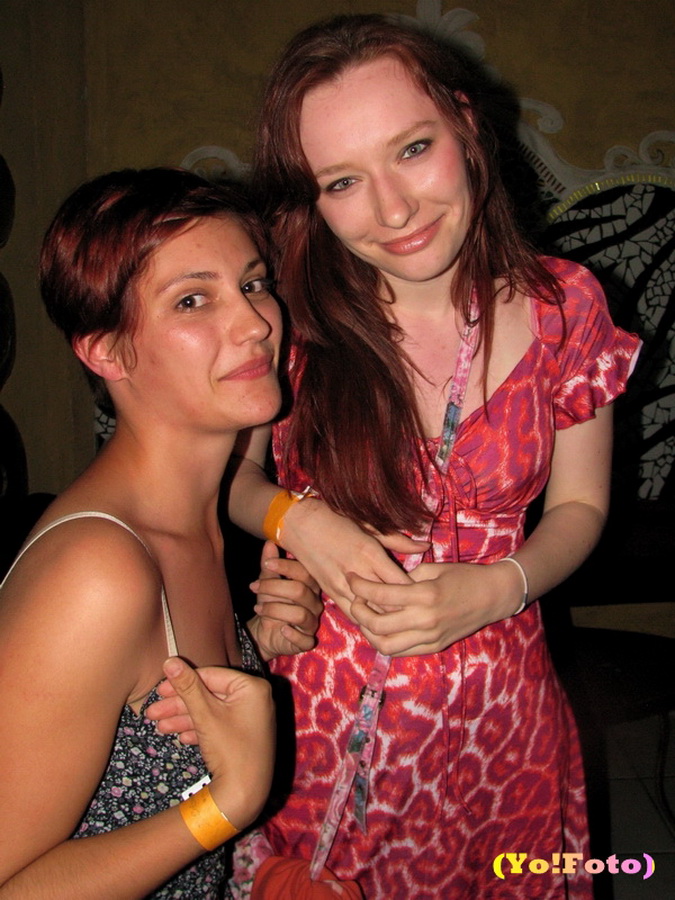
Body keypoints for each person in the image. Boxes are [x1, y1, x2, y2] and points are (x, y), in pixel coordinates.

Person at [160, 16, 640, 899]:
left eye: (413, 149)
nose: (394, 210)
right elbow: (230, 481)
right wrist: (302, 521)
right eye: (342, 180)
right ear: (310, 198)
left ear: (465, 125)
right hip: (323, 715)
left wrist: (498, 588)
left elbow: (580, 507)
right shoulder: (286, 315)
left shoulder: (566, 307)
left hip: (501, 714)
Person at [0, 168, 322, 899]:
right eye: (192, 300)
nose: (255, 323)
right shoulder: (97, 571)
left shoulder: (190, 521)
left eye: (253, 283)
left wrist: (253, 648)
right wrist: (227, 804)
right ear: (107, 352)